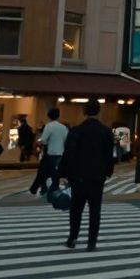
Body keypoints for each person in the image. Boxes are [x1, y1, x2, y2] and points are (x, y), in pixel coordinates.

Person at [59, 101, 114, 251]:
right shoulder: (106, 131)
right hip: (97, 176)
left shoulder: (76, 131)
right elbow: (109, 155)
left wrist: (63, 173)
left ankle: (73, 238)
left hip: (78, 176)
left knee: (76, 208)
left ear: (84, 112)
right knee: (95, 209)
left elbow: (68, 153)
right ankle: (92, 243)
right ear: (99, 112)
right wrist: (108, 171)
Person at [30, 107, 68, 196]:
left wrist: (38, 142)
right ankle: (49, 188)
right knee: (53, 172)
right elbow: (66, 139)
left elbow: (43, 140)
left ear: (49, 116)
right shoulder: (63, 127)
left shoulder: (48, 126)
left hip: (50, 152)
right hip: (60, 153)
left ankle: (41, 188)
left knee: (44, 171)